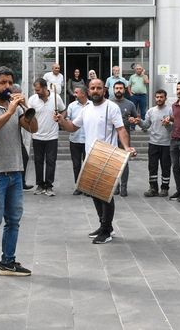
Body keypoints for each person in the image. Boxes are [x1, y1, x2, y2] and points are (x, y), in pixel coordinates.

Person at [55, 78, 135, 244]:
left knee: (105, 195)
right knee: (93, 192)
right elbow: (72, 127)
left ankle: (106, 230)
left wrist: (126, 147)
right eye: (93, 88)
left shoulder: (111, 107)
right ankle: (104, 225)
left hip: (107, 155)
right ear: (88, 91)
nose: (96, 90)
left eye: (99, 88)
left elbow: (121, 129)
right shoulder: (86, 109)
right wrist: (61, 120)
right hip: (91, 156)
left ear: (104, 90)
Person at [0, 66, 38, 276]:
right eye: (2, 82)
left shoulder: (16, 107)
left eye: (10, 83)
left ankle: (8, 262)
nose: (7, 87)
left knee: (13, 219)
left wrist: (27, 108)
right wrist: (10, 112)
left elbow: (33, 128)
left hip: (15, 170)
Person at [28, 78, 66, 196]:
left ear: (45, 88)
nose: (36, 92)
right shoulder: (32, 99)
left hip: (52, 136)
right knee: (38, 162)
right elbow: (28, 115)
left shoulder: (56, 98)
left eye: (38, 90)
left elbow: (64, 110)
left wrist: (60, 117)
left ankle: (49, 186)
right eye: (35, 90)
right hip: (37, 136)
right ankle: (40, 185)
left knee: (51, 161)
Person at [139, 89, 173, 197]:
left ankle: (164, 188)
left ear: (165, 98)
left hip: (166, 144)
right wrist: (138, 121)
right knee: (152, 167)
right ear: (155, 98)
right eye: (157, 97)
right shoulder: (151, 111)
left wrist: (167, 124)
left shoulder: (171, 111)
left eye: (161, 97)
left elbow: (173, 128)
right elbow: (146, 125)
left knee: (165, 167)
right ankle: (153, 188)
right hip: (153, 143)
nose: (159, 99)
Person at [111, 81, 139, 196]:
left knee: (124, 163)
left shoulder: (130, 104)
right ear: (113, 90)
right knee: (113, 163)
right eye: (116, 88)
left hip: (125, 137)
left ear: (124, 89)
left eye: (120, 88)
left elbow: (136, 117)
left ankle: (124, 187)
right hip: (111, 137)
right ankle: (115, 187)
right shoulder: (109, 103)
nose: (118, 90)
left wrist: (133, 120)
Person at [67, 85, 90, 195]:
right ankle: (78, 187)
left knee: (87, 166)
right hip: (74, 139)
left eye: (76, 92)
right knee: (76, 165)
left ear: (83, 94)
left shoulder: (92, 106)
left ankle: (86, 188)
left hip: (88, 141)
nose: (74, 94)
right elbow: (68, 119)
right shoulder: (71, 106)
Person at [11, 84, 34, 191]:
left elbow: (32, 126)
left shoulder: (19, 106)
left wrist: (24, 105)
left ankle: (22, 182)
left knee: (24, 157)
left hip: (17, 136)